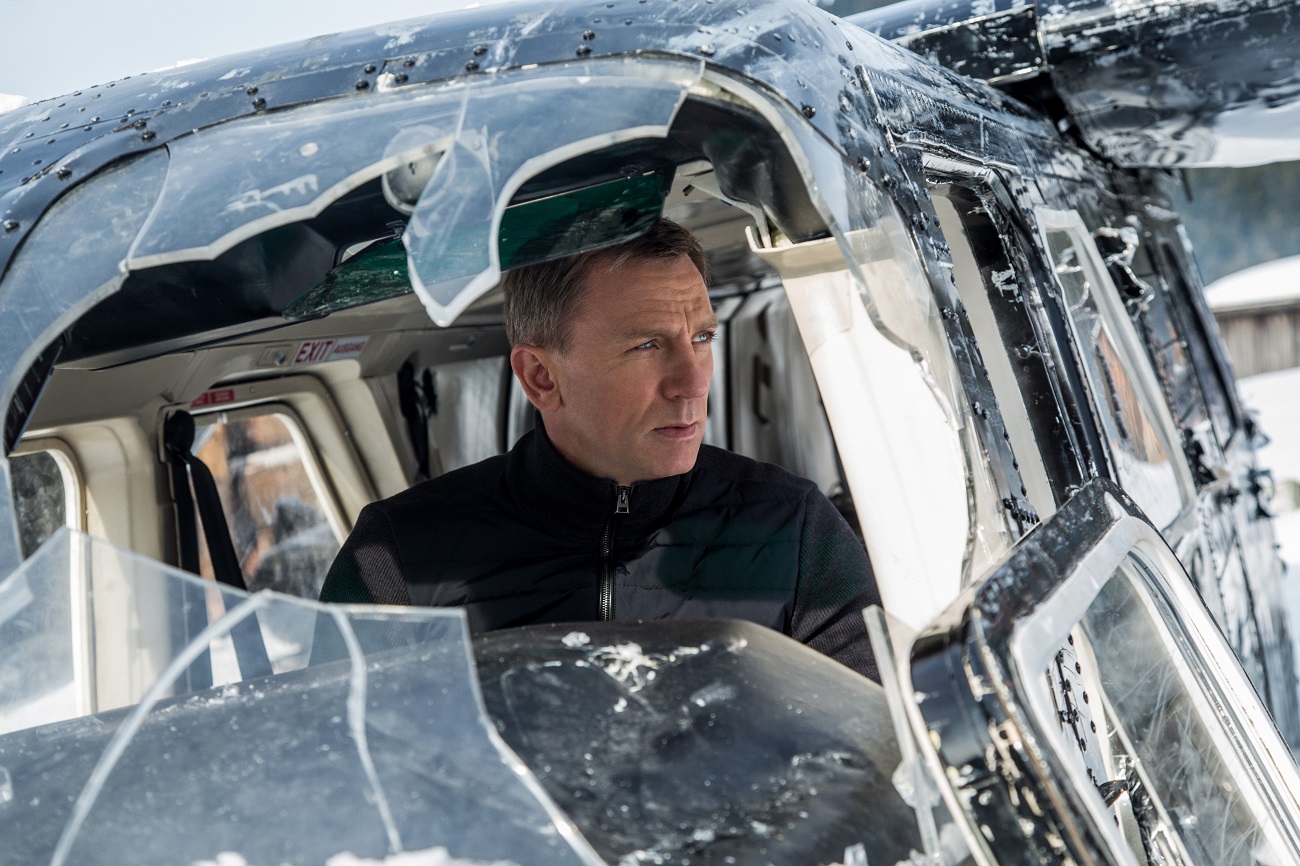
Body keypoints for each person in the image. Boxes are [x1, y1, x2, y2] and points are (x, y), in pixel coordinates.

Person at [318, 218, 881, 679]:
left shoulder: (796, 531)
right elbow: (337, 766)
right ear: (540, 377)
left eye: (702, 337)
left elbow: (877, 752)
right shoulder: (395, 559)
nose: (693, 382)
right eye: (647, 344)